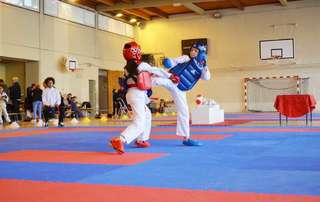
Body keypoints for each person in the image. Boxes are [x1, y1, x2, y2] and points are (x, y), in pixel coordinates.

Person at [109, 42, 172, 154]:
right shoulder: (141, 65)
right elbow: (157, 70)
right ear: (136, 52)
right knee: (139, 122)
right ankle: (120, 139)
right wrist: (170, 76)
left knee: (147, 114)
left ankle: (141, 139)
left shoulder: (127, 67)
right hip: (136, 94)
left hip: (133, 94)